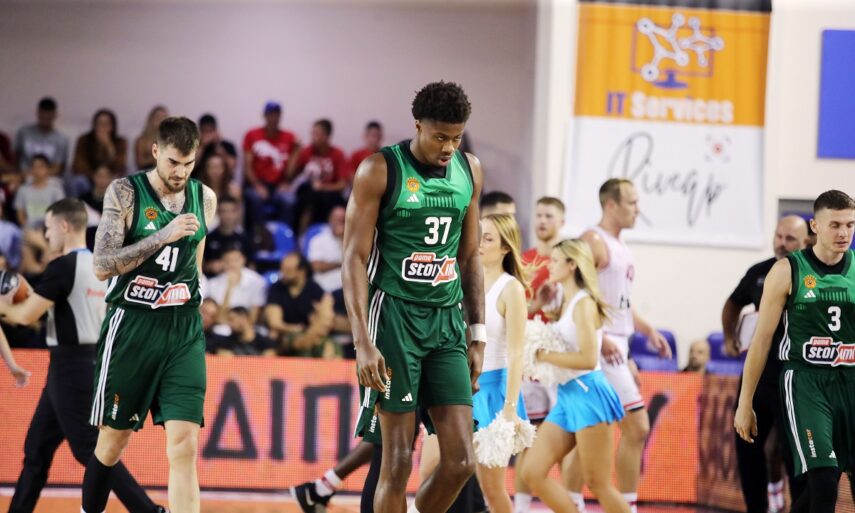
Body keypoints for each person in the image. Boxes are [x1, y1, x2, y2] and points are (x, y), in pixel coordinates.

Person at [343, 81, 485, 513]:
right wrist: (362, 341)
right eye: (440, 137)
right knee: (397, 461)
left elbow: (471, 256)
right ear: (418, 125)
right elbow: (354, 257)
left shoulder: (470, 170)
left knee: (461, 461)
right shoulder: (379, 169)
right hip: (394, 320)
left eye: (456, 138)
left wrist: (478, 334)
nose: (449, 147)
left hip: (446, 322)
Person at [83, 116, 216, 513]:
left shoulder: (205, 198)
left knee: (185, 445)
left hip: (183, 328)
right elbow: (102, 266)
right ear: (155, 151)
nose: (181, 172)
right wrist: (162, 235)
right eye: (173, 162)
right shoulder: (125, 192)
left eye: (188, 163)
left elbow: (195, 262)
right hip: (133, 324)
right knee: (113, 441)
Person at [0, 198, 164, 513]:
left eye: (48, 228)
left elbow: (25, 316)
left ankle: (150, 511)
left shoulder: (62, 267)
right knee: (37, 449)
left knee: (90, 450)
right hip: (93, 359)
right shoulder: (102, 265)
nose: (47, 236)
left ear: (63, 226)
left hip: (70, 365)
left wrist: (5, 304)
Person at [735, 190, 855, 513]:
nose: (843, 233)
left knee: (823, 491)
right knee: (824, 482)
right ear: (815, 226)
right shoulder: (788, 270)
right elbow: (761, 341)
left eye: (849, 225)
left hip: (849, 380)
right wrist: (745, 402)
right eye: (835, 225)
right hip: (806, 383)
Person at [563, 178, 672, 513]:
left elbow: (617, 301)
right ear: (611, 205)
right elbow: (574, 293)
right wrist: (602, 338)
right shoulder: (593, 240)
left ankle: (571, 503)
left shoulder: (620, 244)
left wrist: (646, 329)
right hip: (599, 347)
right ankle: (626, 505)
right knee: (636, 426)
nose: (638, 209)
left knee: (590, 431)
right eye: (632, 202)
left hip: (617, 345)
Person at [520, 239, 628, 513]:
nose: (550, 265)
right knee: (532, 471)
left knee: (598, 483)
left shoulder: (584, 304)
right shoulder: (567, 302)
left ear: (572, 265)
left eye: (556, 261)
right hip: (567, 395)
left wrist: (543, 356)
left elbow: (588, 359)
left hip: (588, 393)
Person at [724, 215, 810, 513]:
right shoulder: (759, 272)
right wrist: (729, 337)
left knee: (793, 453)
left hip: (795, 380)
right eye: (779, 236)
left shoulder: (812, 274)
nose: (782, 244)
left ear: (806, 241)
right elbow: (732, 303)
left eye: (790, 239)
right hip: (759, 375)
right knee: (747, 447)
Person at [515, 196, 564, 513]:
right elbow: (516, 310)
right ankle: (520, 506)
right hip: (531, 359)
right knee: (527, 436)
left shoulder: (569, 261)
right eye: (539, 215)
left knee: (567, 437)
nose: (543, 221)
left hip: (561, 361)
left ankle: (572, 500)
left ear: (562, 221)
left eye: (549, 215)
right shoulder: (525, 261)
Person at [293, 119, 349, 234]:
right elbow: (291, 174)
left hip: (328, 193)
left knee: (338, 203)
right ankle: (302, 236)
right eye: (312, 133)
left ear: (326, 136)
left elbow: (342, 184)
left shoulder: (337, 154)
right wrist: (296, 151)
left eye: (317, 134)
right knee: (309, 196)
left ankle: (332, 235)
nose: (313, 137)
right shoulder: (307, 151)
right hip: (309, 193)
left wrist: (323, 187)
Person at [15, 97, 69, 176]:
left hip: (48, 178)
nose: (45, 117)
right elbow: (16, 157)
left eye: (49, 114)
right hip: (23, 175)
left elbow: (57, 168)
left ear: (55, 115)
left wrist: (36, 176)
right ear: (37, 113)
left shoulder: (61, 139)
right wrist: (20, 174)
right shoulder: (24, 133)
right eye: (43, 114)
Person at [72, 108, 128, 182]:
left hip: (110, 177)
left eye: (106, 124)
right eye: (100, 123)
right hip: (89, 176)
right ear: (94, 125)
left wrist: (110, 148)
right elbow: (79, 164)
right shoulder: (84, 140)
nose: (103, 127)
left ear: (112, 126)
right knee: (79, 181)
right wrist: (95, 176)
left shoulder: (120, 142)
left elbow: (120, 166)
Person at [14, 154, 66, 229]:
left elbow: (61, 213)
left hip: (50, 229)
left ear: (47, 169)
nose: (37, 170)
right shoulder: (23, 190)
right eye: (34, 167)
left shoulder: (56, 190)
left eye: (40, 167)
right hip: (29, 230)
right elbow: (20, 216)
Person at [307, 205, 346, 293]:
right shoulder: (318, 240)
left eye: (343, 220)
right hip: (325, 288)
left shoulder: (353, 241)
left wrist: (342, 239)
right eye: (337, 219)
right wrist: (341, 264)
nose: (340, 222)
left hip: (347, 289)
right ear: (330, 220)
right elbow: (316, 266)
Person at [134, 105, 168, 171]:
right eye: (158, 117)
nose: (161, 120)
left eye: (164, 117)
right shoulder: (142, 140)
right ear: (151, 119)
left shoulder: (170, 139)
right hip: (146, 172)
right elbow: (140, 162)